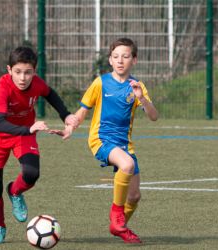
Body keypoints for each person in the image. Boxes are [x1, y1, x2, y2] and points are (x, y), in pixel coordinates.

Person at [58, 38, 158, 243]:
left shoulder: (137, 86)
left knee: (134, 196)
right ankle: (116, 217)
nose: (120, 60)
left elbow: (154, 116)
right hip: (101, 139)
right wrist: (70, 126)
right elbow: (83, 111)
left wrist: (142, 98)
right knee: (127, 164)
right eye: (115, 56)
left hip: (124, 144)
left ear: (134, 60)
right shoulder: (100, 83)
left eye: (125, 56)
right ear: (110, 60)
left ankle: (119, 227)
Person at [0, 46, 78, 244]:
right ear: (9, 70)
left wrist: (65, 115)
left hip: (24, 133)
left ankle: (15, 191)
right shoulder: (3, 85)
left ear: (34, 71)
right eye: (17, 72)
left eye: (27, 72)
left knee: (31, 174)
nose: (23, 78)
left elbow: (50, 94)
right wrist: (29, 129)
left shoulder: (36, 83)